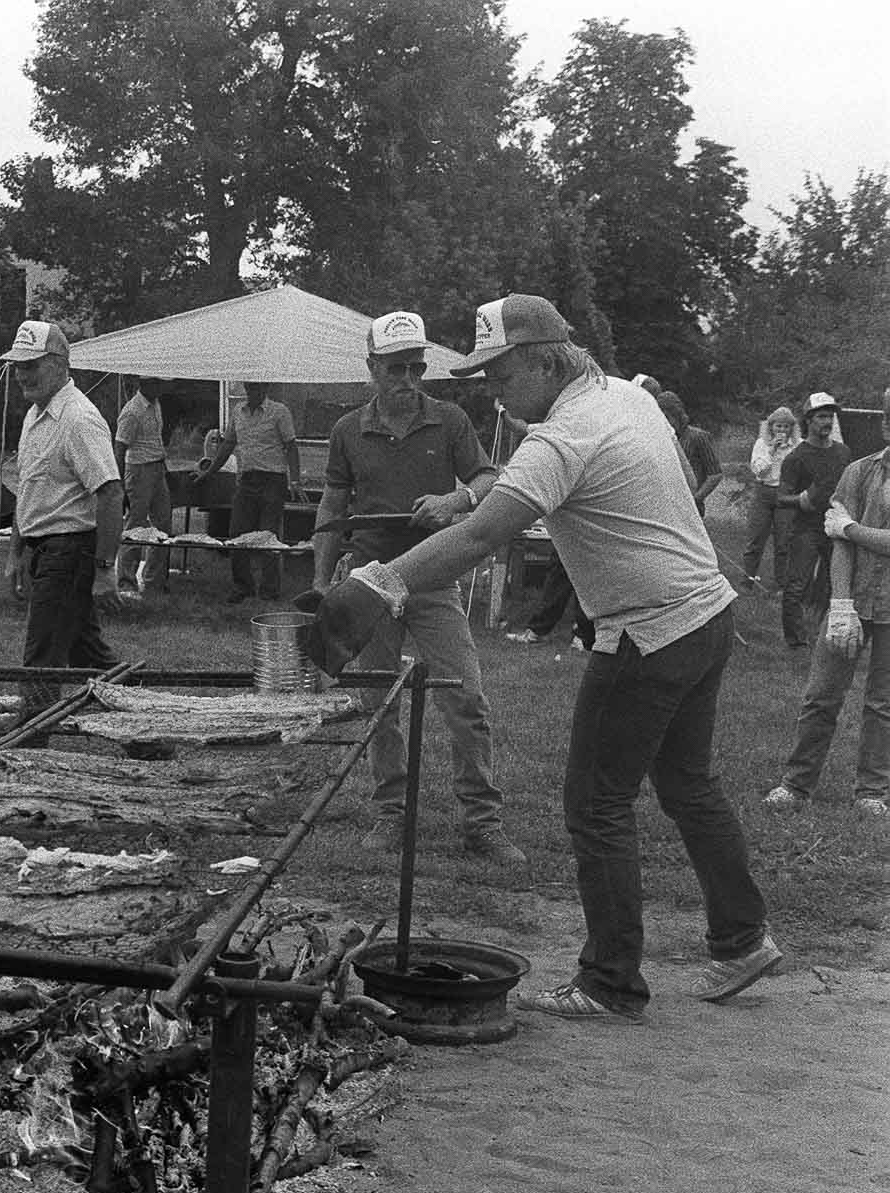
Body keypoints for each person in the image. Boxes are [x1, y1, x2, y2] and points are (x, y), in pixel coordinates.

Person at [308, 292, 780, 1021]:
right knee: (688, 783)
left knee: (596, 805)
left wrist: (379, 582)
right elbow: (679, 489)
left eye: (500, 376)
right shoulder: (626, 397)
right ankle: (742, 939)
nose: (491, 394)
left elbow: (479, 537)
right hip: (707, 613)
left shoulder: (562, 439)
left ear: (545, 360)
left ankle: (610, 982)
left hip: (647, 633)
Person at [309, 309, 524, 867]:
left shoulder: (449, 419)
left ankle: (482, 822)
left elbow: (486, 477)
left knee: (465, 693)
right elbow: (334, 503)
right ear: (372, 368)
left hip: (431, 574)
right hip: (368, 577)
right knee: (378, 701)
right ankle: (391, 816)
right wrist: (319, 579)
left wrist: (454, 502)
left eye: (416, 368)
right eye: (396, 369)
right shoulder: (347, 431)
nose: (407, 381)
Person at [1, 319, 122, 729]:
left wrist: (105, 569)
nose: (21, 375)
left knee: (41, 659)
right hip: (44, 549)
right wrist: (17, 552)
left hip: (70, 551)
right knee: (88, 656)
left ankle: (26, 754)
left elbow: (110, 494)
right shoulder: (36, 416)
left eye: (30, 365)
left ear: (58, 364)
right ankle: (148, 728)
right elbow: (27, 490)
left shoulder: (78, 419)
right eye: (17, 366)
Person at [764, 438, 890, 816]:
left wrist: (850, 528)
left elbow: (842, 531)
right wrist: (840, 603)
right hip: (854, 596)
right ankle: (796, 785)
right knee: (821, 695)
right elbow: (838, 544)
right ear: (886, 422)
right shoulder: (859, 471)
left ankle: (872, 791)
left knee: (883, 704)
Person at [199, 381, 300, 600]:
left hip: (273, 479)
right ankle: (242, 587)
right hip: (246, 479)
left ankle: (269, 590)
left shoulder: (279, 412)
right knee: (237, 533)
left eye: (257, 388)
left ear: (265, 389)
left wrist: (295, 481)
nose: (252, 392)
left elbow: (291, 446)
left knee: (267, 536)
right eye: (249, 388)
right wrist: (210, 472)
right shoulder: (238, 412)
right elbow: (227, 445)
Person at [777, 392, 851, 648]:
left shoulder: (843, 452)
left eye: (830, 416)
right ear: (808, 420)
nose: (827, 421)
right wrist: (801, 500)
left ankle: (826, 635)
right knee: (797, 585)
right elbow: (780, 497)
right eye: (821, 416)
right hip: (806, 529)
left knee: (835, 583)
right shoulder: (796, 457)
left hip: (835, 527)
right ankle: (795, 641)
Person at [113, 375, 170, 593]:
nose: (159, 388)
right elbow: (119, 449)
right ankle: (126, 581)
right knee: (135, 527)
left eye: (160, 383)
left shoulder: (155, 405)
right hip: (138, 470)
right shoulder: (132, 411)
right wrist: (118, 486)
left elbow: (156, 439)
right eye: (155, 383)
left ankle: (154, 581)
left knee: (162, 524)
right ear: (144, 384)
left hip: (157, 467)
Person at [743, 406, 801, 594]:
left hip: (785, 494)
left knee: (783, 542)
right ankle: (747, 581)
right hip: (763, 492)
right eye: (778, 426)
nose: (782, 431)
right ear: (771, 427)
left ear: (791, 428)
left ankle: (781, 585)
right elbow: (758, 470)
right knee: (756, 539)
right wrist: (772, 450)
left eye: (786, 427)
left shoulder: (798, 445)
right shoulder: (761, 444)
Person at [657, 391, 721, 516]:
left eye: (668, 417)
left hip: (691, 508)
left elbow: (715, 474)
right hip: (667, 506)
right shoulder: (661, 438)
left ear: (678, 415)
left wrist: (696, 499)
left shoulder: (698, 437)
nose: (665, 422)